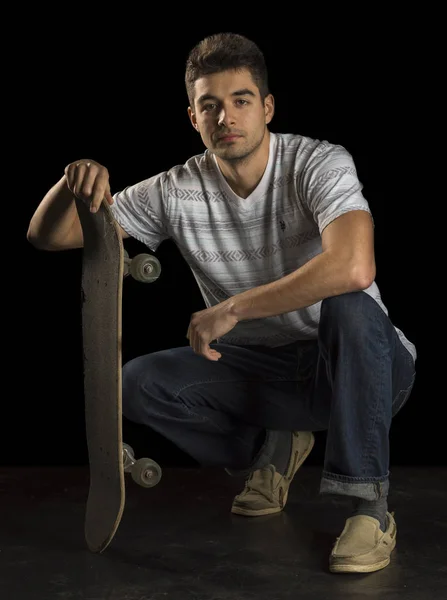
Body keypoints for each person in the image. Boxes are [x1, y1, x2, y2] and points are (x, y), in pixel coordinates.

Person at [27, 32, 417, 574]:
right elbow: (51, 237)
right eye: (210, 105)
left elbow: (354, 266)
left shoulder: (317, 162)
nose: (226, 116)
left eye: (241, 101)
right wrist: (72, 182)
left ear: (267, 107)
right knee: (136, 384)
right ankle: (272, 451)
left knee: (349, 305)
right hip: (263, 372)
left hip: (362, 367)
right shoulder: (177, 188)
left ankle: (370, 509)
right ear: (193, 116)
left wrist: (232, 309)